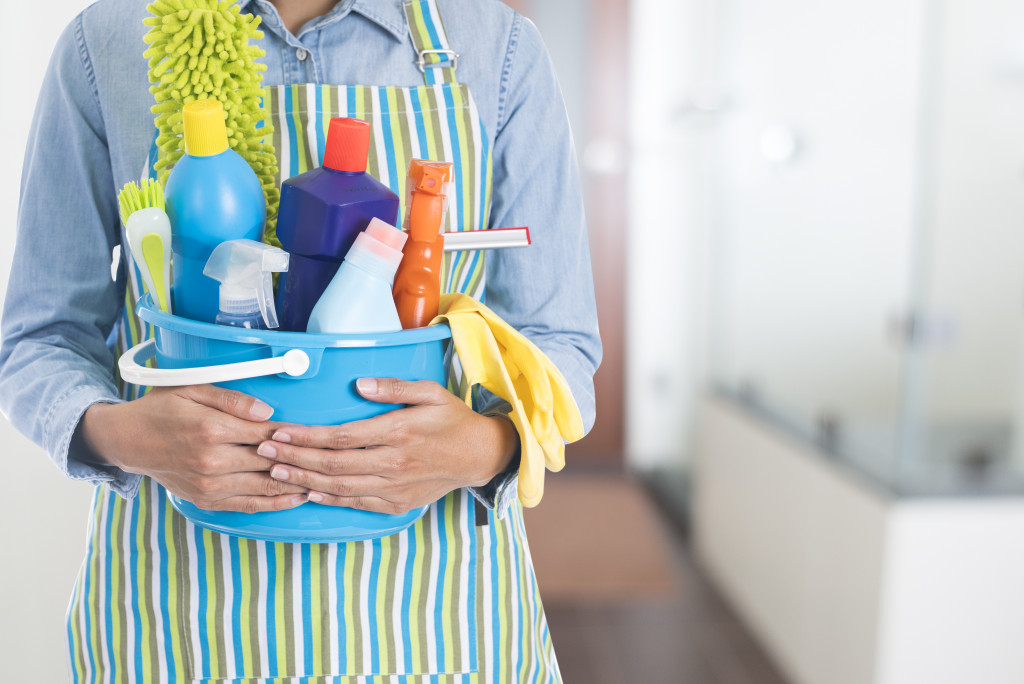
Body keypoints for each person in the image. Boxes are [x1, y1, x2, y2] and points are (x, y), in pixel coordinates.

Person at [0, 0, 600, 680]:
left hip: (433, 615)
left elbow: (560, 343)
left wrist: (482, 445)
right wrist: (124, 436)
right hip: (181, 615)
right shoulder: (107, 41)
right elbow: (40, 335)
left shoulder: (497, 47)